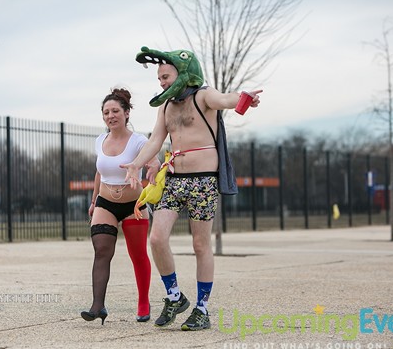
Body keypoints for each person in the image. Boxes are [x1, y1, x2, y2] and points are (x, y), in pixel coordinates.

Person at [122, 47, 262, 331]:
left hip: (203, 181)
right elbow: (155, 141)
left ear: (182, 72)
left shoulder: (203, 95)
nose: (161, 82)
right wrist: (136, 164)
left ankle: (202, 309)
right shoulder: (165, 107)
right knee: (157, 238)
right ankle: (174, 297)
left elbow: (226, 99)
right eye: (159, 78)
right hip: (173, 180)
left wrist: (245, 98)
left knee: (200, 245)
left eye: (165, 76)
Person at [81, 88, 160, 324]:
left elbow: (153, 161)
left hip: (133, 206)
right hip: (105, 203)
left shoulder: (138, 141)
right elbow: (99, 171)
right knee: (102, 251)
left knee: (138, 255)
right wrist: (94, 200)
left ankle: (143, 302)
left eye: (115, 111)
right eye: (106, 112)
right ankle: (97, 306)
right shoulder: (99, 141)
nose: (110, 115)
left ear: (126, 113)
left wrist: (152, 169)